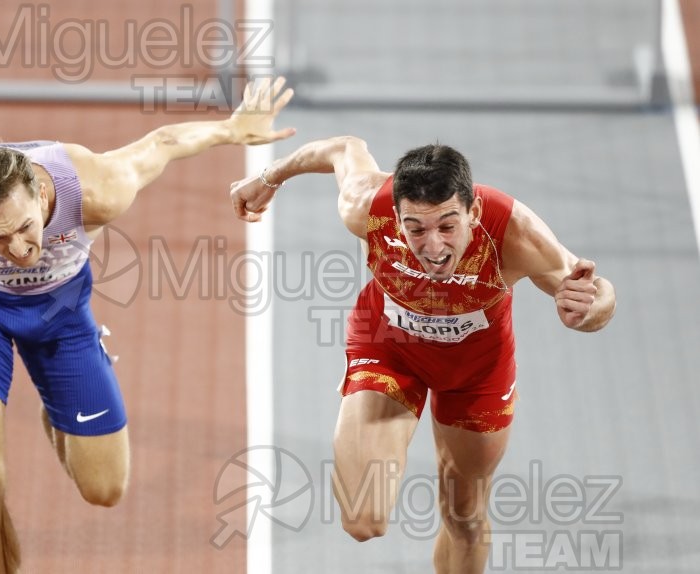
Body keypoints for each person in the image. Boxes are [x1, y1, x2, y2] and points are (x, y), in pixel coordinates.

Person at [0, 19, 294, 574]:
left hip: (60, 317)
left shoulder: (97, 186)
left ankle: (60, 405)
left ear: (40, 191)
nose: (19, 249)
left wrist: (232, 129)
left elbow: (162, 143)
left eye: (25, 228)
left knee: (104, 488)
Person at [229, 136, 616, 573]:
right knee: (362, 517)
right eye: (416, 229)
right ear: (396, 216)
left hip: (476, 373)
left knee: (463, 515)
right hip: (390, 351)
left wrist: (587, 311)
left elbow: (598, 294)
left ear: (472, 212)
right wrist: (269, 178)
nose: (433, 247)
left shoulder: (515, 232)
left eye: (448, 226)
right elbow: (342, 149)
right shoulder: (365, 208)